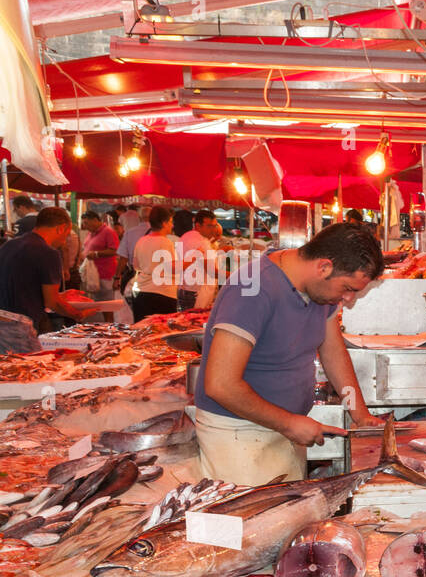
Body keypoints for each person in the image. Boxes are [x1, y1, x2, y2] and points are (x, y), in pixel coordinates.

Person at [194, 223, 385, 485]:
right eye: (348, 288)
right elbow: (220, 384)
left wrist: (359, 413)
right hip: (238, 435)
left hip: (285, 429)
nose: (349, 299)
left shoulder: (320, 294)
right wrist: (288, 423)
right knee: (255, 523)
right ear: (324, 267)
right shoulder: (252, 289)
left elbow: (333, 352)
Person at [0, 207, 85, 331]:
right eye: (66, 235)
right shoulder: (49, 253)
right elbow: (52, 302)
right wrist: (78, 314)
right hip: (23, 324)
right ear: (61, 228)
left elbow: (22, 286)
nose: (64, 242)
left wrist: (60, 295)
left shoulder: (9, 245)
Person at [131, 206, 182, 318]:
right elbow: (172, 269)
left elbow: (136, 266)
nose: (172, 225)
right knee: (161, 332)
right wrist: (191, 261)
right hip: (162, 294)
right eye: (170, 222)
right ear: (164, 223)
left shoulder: (141, 240)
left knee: (142, 331)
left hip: (141, 293)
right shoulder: (165, 242)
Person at [179, 209, 225, 309]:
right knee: (194, 322)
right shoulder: (201, 241)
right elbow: (212, 272)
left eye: (214, 225)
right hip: (195, 292)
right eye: (209, 226)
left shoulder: (185, 236)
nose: (213, 230)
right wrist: (237, 275)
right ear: (198, 226)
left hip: (183, 290)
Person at [81, 211, 119, 300]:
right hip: (92, 274)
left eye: (86, 223)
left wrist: (97, 254)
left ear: (95, 220)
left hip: (105, 274)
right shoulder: (90, 233)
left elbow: (115, 250)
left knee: (106, 303)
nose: (85, 226)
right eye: (84, 224)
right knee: (95, 302)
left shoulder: (108, 232)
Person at [115, 209, 152, 293]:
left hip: (135, 275)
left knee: (132, 302)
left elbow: (123, 258)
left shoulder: (129, 233)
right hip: (152, 278)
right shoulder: (160, 234)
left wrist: (117, 278)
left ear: (139, 218)